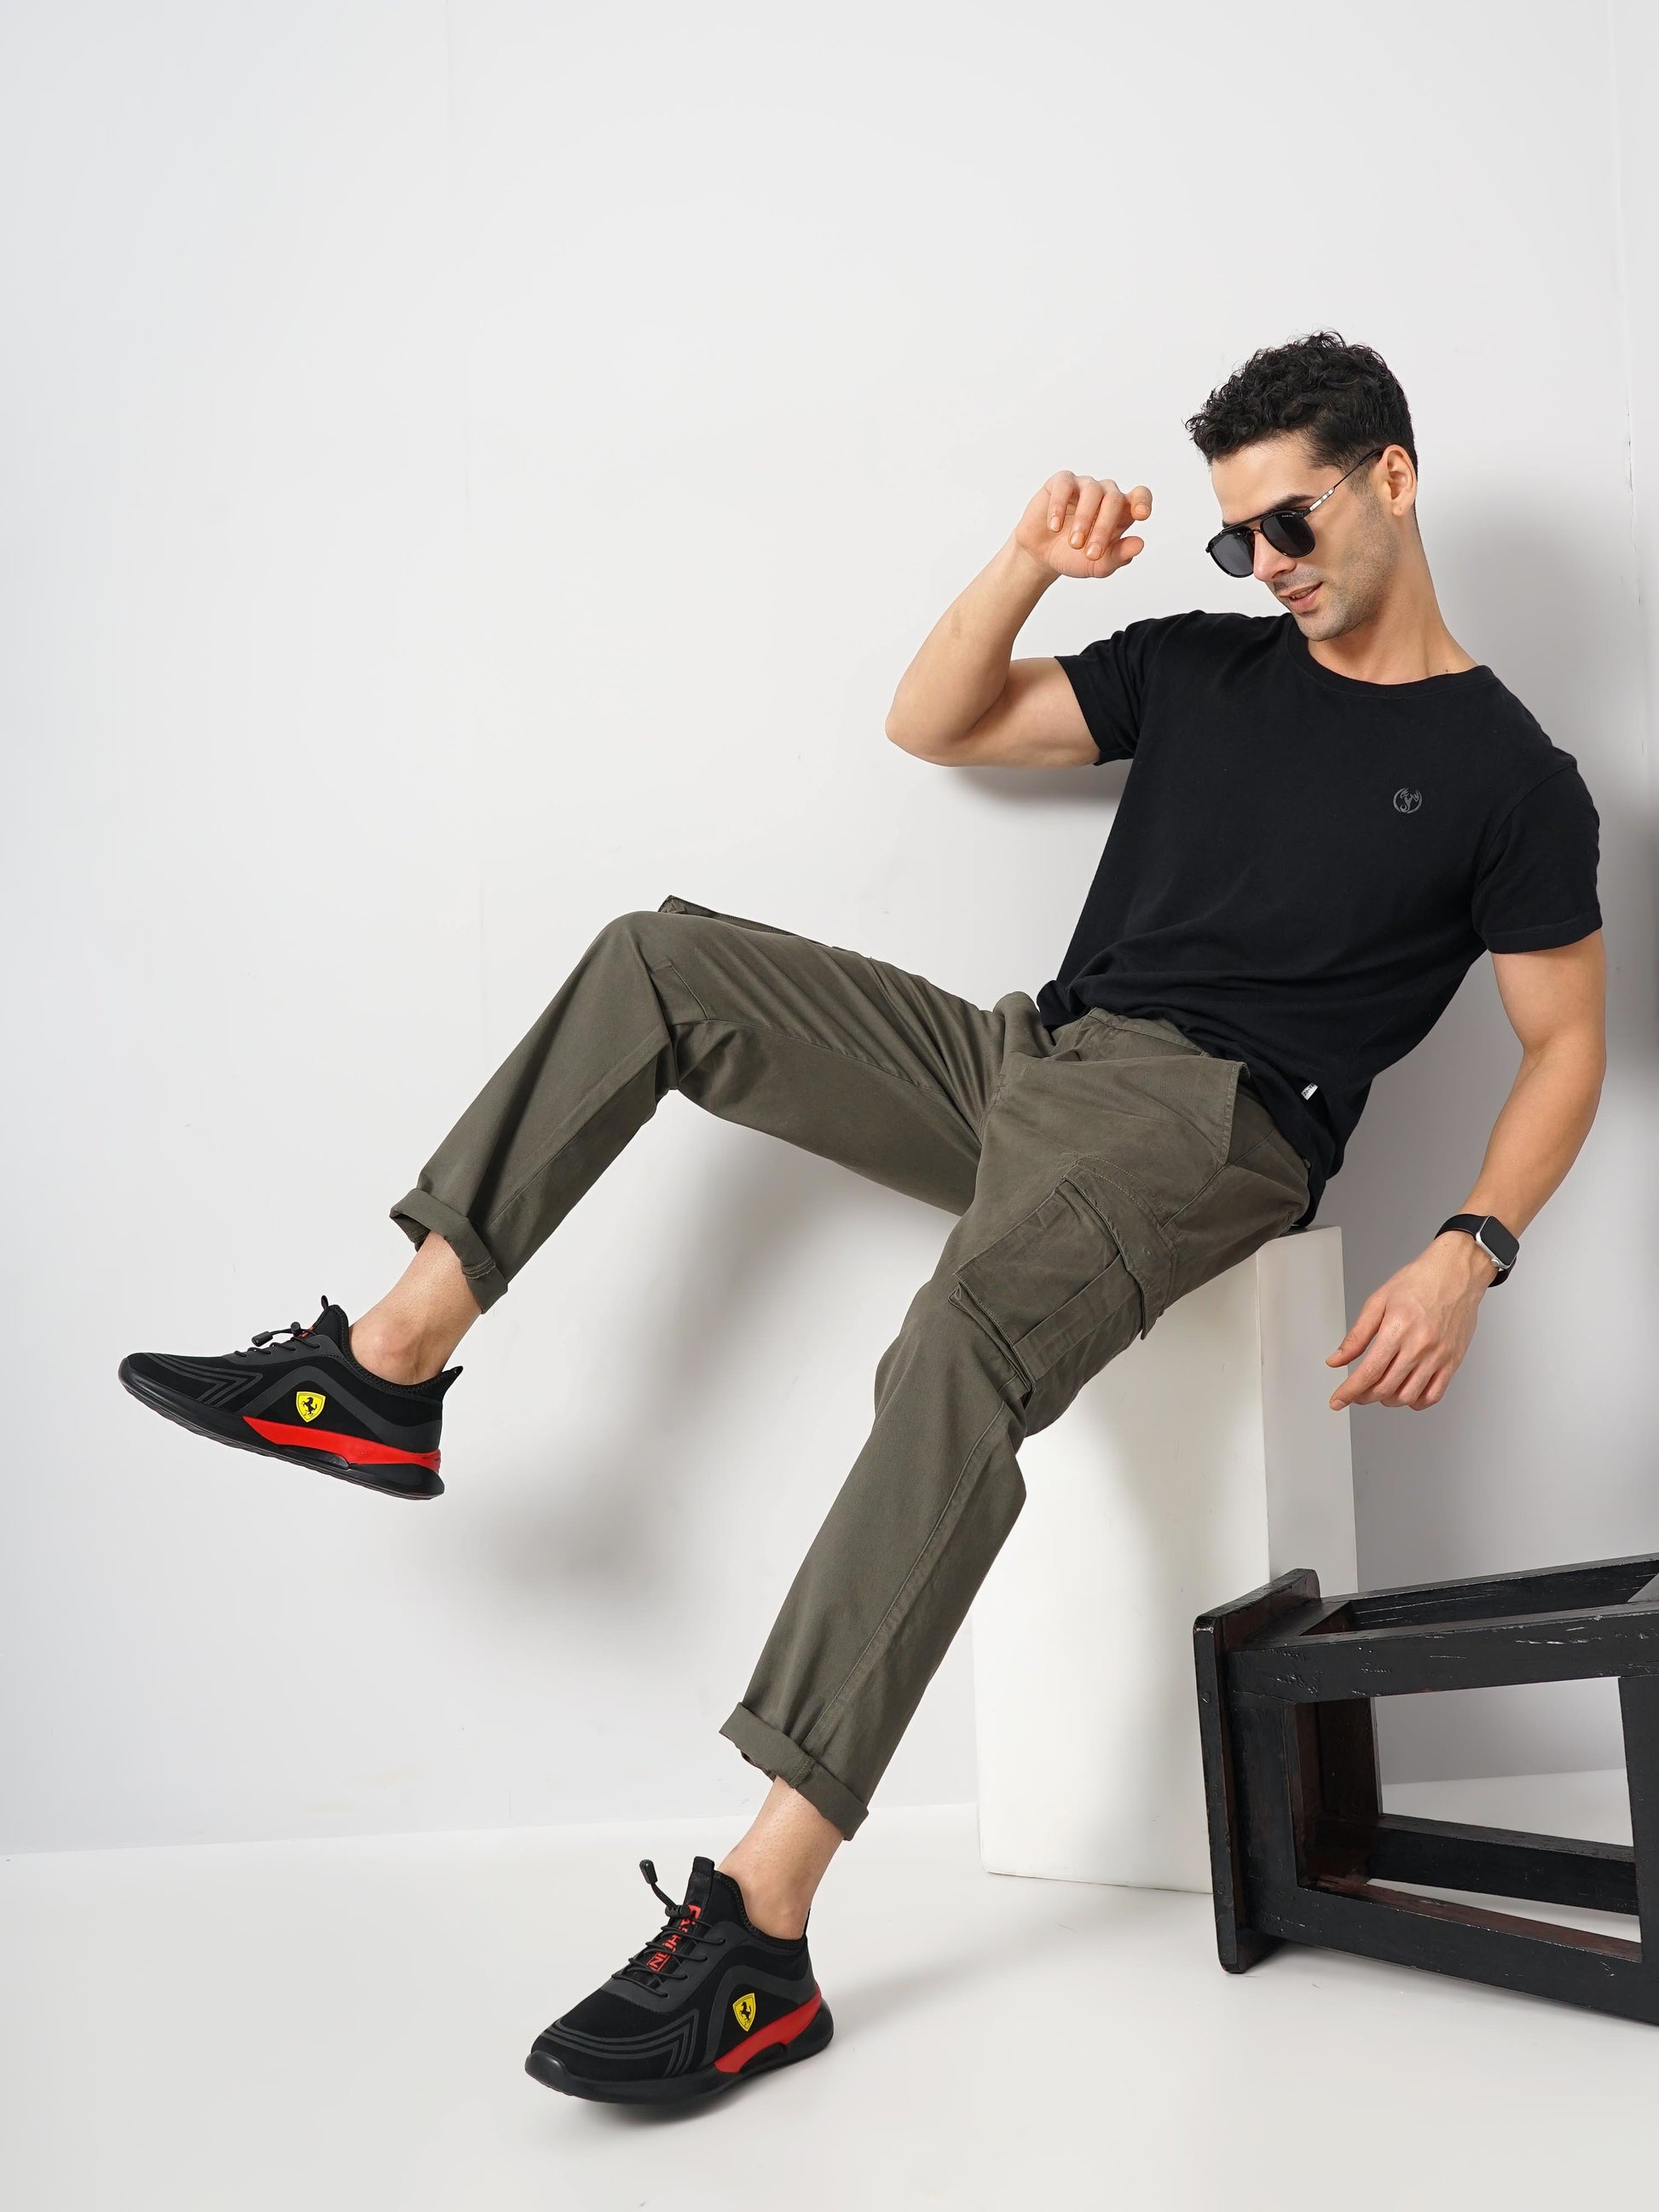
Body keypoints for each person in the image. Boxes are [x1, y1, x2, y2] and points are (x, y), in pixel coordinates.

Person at [119, 330, 1605, 2105]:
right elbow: (936, 720)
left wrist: (1471, 1246)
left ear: (1391, 479)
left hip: (1211, 1124)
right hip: (1025, 1055)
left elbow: (1564, 1045)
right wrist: (1025, 564)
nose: (1262, 565)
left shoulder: (1508, 774)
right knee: (662, 962)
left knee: (956, 1350)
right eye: (1234, 539)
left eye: (1285, 523)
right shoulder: (1203, 666)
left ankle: (759, 1922)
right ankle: (388, 1363)